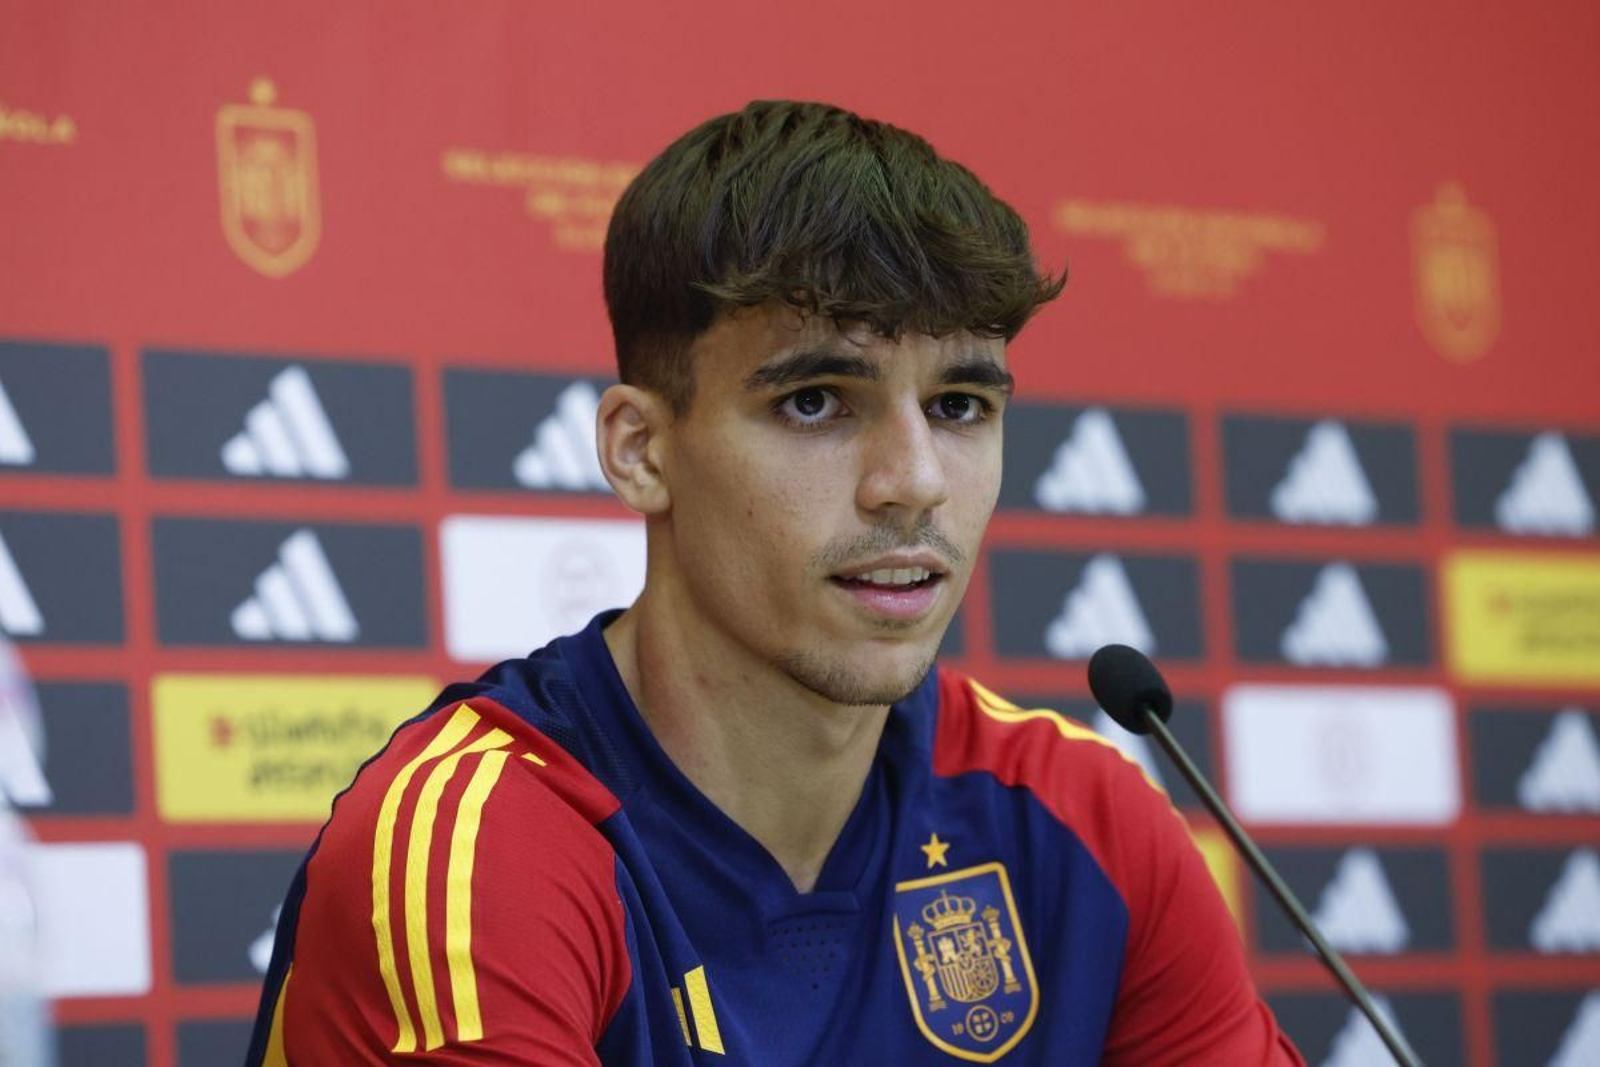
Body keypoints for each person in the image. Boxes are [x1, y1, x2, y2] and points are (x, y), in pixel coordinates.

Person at [247, 100, 1303, 1065]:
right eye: (814, 402)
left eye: (960, 406)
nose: (913, 483)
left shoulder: (1086, 821)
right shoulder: (479, 848)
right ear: (640, 449)